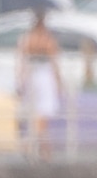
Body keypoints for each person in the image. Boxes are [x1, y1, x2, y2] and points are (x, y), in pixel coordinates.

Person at [19, 9, 64, 162]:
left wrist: (21, 80)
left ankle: (34, 144)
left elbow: (22, 61)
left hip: (32, 76)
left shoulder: (28, 38)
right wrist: (59, 82)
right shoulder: (47, 39)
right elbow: (54, 62)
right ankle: (40, 146)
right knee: (43, 112)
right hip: (44, 76)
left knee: (34, 112)